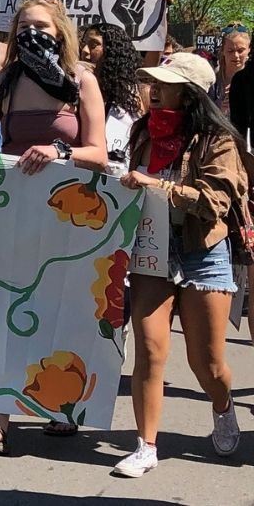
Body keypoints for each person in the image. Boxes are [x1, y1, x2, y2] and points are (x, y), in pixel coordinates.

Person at [0, 0, 109, 454]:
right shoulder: (5, 81)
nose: (30, 34)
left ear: (60, 32)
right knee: (7, 309)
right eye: (22, 26)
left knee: (62, 307)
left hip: (72, 216)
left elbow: (98, 153)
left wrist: (60, 153)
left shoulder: (82, 80)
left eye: (40, 26)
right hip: (16, 211)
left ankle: (61, 404)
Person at [112, 52, 245, 477]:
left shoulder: (219, 141)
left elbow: (215, 203)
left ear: (188, 95)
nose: (154, 90)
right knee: (149, 351)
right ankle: (145, 445)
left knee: (207, 363)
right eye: (153, 83)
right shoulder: (141, 133)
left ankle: (223, 406)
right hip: (152, 249)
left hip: (203, 251)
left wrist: (160, 185)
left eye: (165, 84)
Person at [80, 23, 144, 175]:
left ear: (114, 51)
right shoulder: (76, 91)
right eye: (83, 45)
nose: (84, 52)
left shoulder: (138, 95)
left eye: (94, 45)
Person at [208, 28, 249, 114]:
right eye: (230, 51)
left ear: (249, 50)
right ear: (223, 51)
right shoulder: (213, 80)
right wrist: (222, 108)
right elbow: (206, 117)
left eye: (240, 51)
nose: (236, 55)